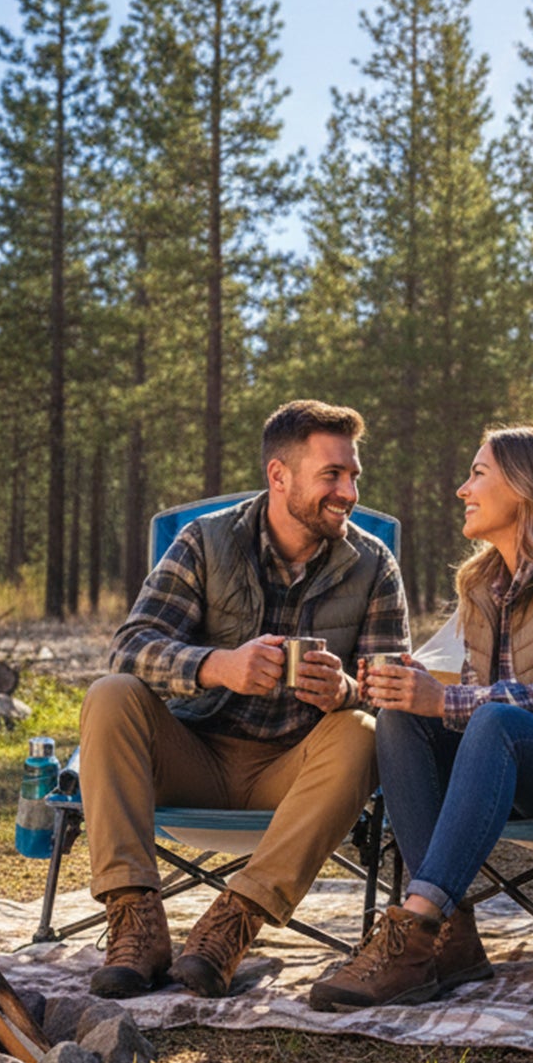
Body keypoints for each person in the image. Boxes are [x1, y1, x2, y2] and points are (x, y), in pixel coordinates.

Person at [308, 424, 533, 1011]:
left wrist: (443, 699)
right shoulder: (483, 583)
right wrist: (417, 694)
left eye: (478, 474)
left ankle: (413, 930)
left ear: (526, 489)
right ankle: (451, 940)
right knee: (403, 719)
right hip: (527, 776)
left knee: (492, 721)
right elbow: (481, 702)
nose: (463, 489)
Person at [79, 399, 409, 999]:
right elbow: (130, 649)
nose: (349, 492)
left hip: (294, 774)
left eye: (353, 475)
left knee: (362, 731)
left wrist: (345, 690)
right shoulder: (205, 542)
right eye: (332, 475)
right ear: (279, 475)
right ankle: (135, 922)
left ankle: (232, 925)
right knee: (111, 695)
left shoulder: (373, 564)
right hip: (192, 757)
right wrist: (217, 666)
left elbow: (393, 696)